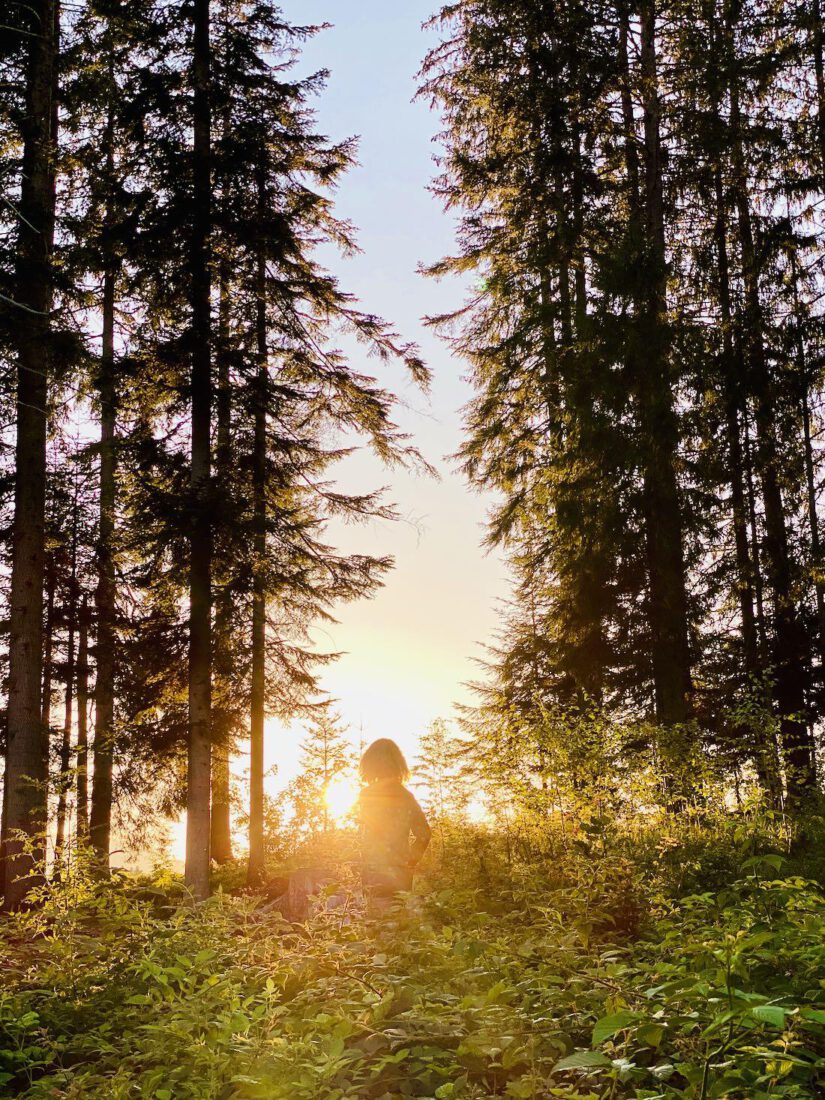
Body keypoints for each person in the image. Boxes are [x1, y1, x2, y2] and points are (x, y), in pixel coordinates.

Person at [357, 738, 431, 904]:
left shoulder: (367, 795)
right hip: (399, 874)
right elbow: (424, 834)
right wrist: (408, 861)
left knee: (375, 925)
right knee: (397, 923)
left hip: (373, 872)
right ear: (398, 764)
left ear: (370, 764)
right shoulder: (406, 796)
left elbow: (365, 836)